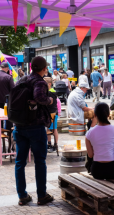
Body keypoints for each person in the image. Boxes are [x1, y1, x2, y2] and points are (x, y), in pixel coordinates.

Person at [13, 56, 54, 206]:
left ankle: (22, 196)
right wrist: (49, 100)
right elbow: (39, 96)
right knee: (40, 162)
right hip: (35, 127)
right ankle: (42, 195)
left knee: (19, 162)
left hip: (19, 126)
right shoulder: (40, 82)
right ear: (44, 68)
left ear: (31, 67)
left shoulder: (21, 80)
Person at [85, 102, 114, 179]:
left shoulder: (89, 133)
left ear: (95, 115)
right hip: (113, 168)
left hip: (97, 169)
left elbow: (90, 155)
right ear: (108, 114)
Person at [43, 77, 61, 153]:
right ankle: (49, 144)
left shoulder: (50, 93)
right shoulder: (51, 92)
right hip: (51, 113)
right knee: (49, 129)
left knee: (54, 129)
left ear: (49, 84)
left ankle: (55, 144)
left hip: (52, 113)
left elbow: (49, 104)